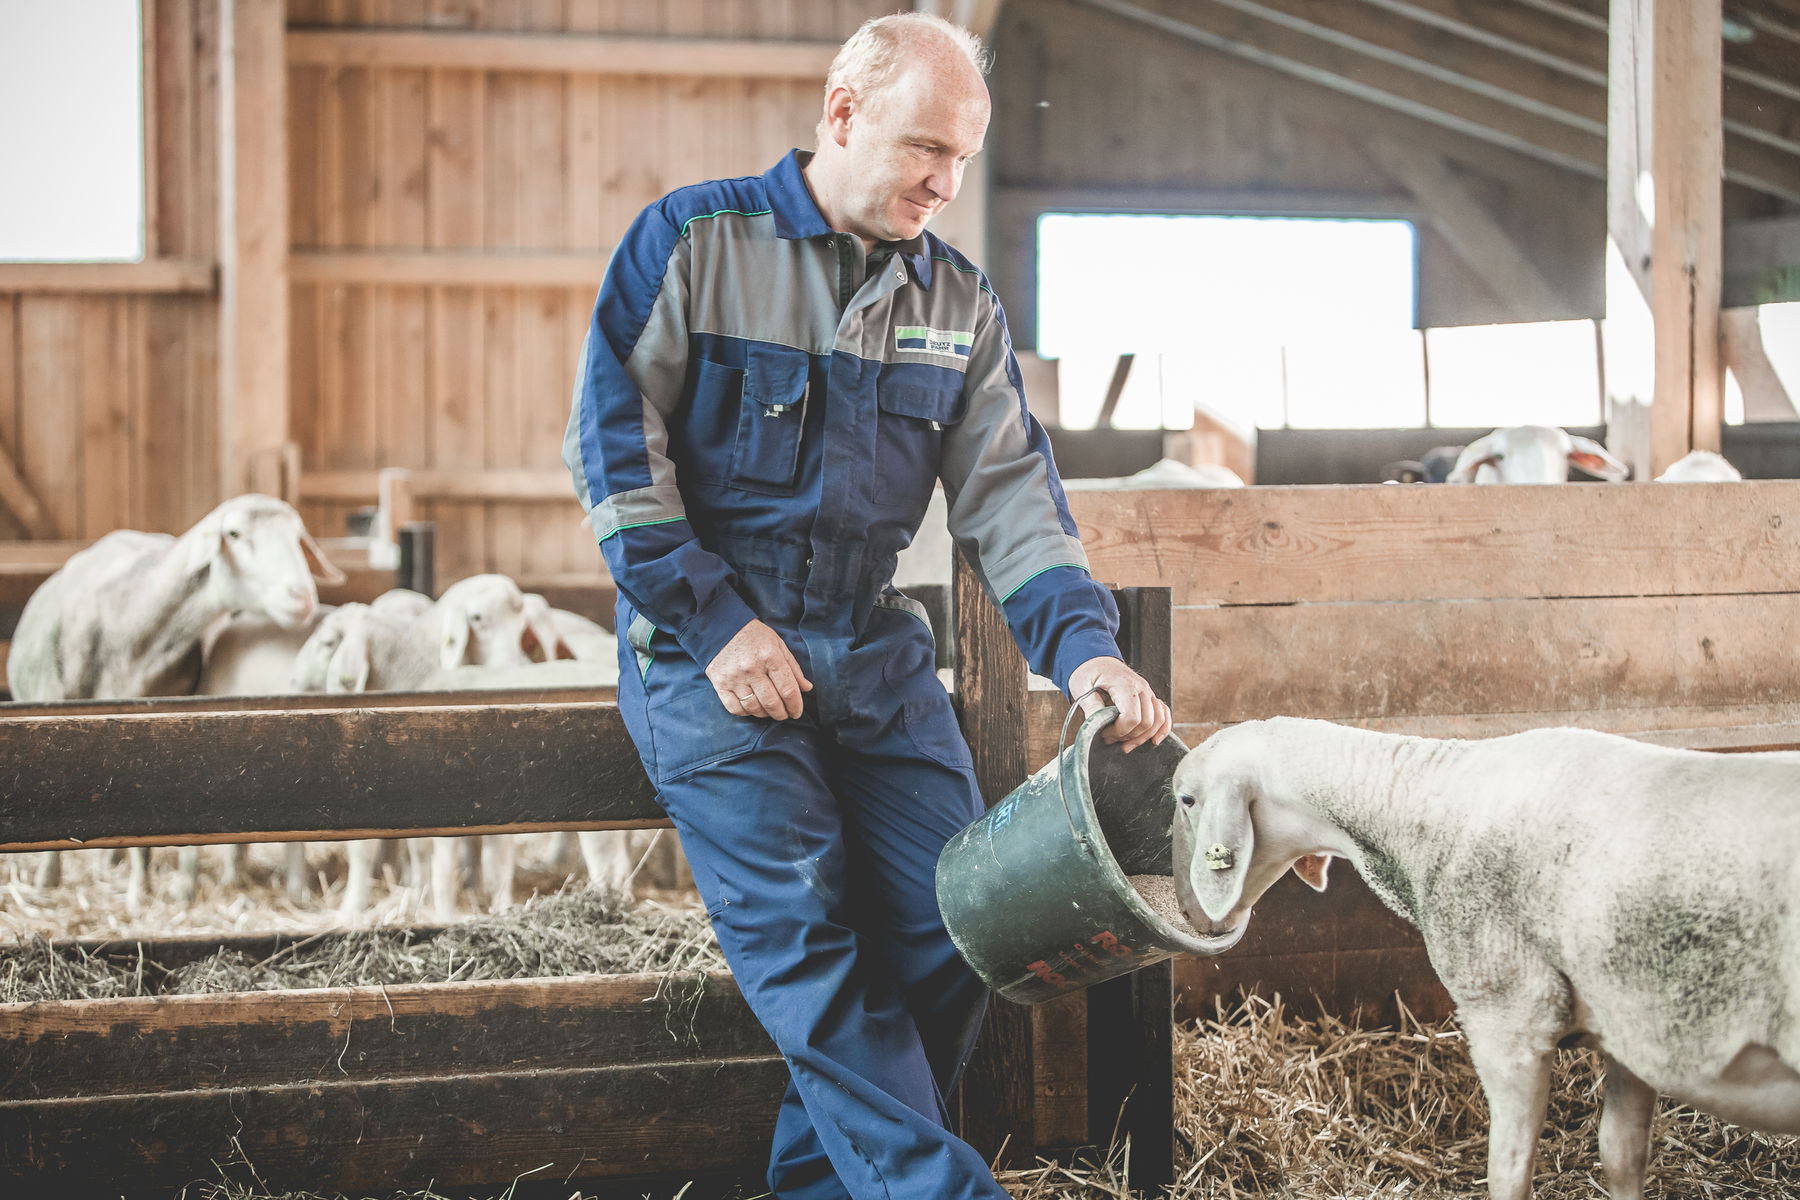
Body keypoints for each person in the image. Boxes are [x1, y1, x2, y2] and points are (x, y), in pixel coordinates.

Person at [562, 13, 1172, 1198]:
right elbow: (615, 458)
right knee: (809, 946)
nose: (946, 183)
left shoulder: (959, 303)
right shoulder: (691, 243)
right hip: (711, 652)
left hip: (870, 646)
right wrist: (712, 623)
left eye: (964, 160)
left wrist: (1082, 652)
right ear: (843, 115)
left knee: (970, 919)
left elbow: (1011, 499)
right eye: (924, 150)